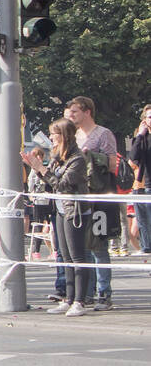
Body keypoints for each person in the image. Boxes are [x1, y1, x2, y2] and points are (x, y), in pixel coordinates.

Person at [25, 119, 91, 316]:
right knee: (64, 256)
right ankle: (68, 298)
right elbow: (50, 183)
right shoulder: (57, 157)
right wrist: (37, 169)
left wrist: (42, 169)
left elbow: (63, 184)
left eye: (54, 134)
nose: (51, 138)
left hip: (75, 210)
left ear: (64, 136)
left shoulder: (77, 159)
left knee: (77, 256)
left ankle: (80, 300)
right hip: (60, 210)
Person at [66, 96, 118, 310]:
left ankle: (104, 293)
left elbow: (113, 163)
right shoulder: (75, 135)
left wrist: (92, 156)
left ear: (87, 111)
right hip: (80, 197)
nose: (72, 116)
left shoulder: (103, 134)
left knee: (99, 246)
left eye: (75, 112)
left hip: (99, 195)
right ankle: (85, 293)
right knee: (82, 246)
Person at [131, 106, 151, 256]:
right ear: (144, 120)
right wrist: (140, 135)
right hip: (141, 185)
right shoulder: (142, 138)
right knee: (143, 223)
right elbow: (133, 157)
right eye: (149, 117)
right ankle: (147, 249)